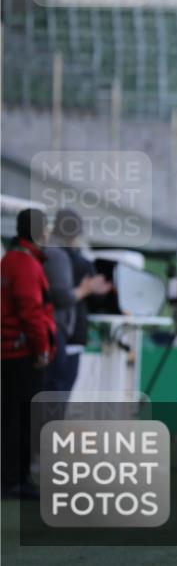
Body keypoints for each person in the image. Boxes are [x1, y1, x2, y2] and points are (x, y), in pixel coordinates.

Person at [1, 209, 55, 498]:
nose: (48, 233)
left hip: (10, 352)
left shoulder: (11, 260)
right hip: (22, 354)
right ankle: (15, 480)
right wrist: (42, 350)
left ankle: (10, 478)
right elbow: (31, 312)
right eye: (46, 228)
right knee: (21, 418)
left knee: (10, 416)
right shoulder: (26, 265)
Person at [43, 208, 111, 396]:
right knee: (57, 391)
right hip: (61, 333)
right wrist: (87, 289)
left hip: (60, 334)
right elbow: (63, 297)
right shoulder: (60, 255)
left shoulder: (54, 252)